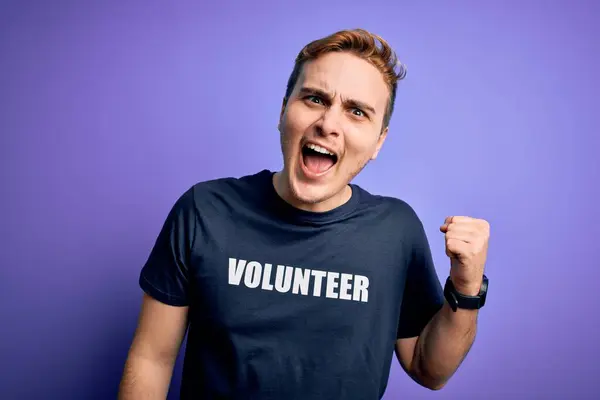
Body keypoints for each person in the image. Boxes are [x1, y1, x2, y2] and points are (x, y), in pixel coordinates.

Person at [118, 28, 490, 400]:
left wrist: (466, 287)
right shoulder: (204, 210)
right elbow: (152, 358)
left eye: (356, 112)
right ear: (283, 111)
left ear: (379, 141)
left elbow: (429, 370)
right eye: (314, 99)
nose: (328, 124)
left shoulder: (396, 231)